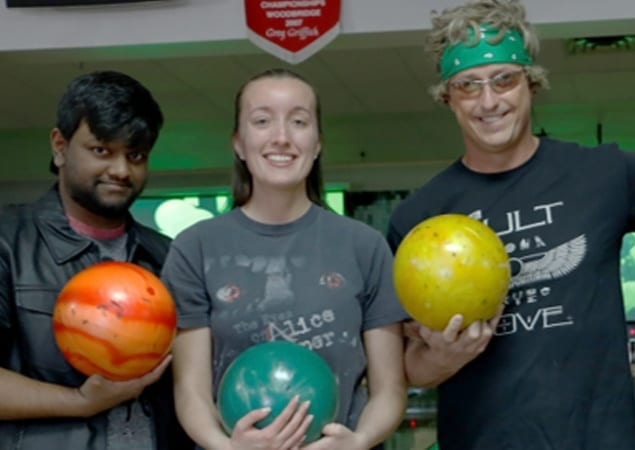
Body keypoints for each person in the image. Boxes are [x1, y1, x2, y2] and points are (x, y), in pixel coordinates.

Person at [387, 0, 635, 449]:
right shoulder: (418, 220)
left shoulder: (605, 175)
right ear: (448, 97)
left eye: (504, 79)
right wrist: (442, 358)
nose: (489, 101)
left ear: (531, 84)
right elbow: (403, 365)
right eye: (468, 85)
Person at [161, 68, 408, 450]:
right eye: (262, 121)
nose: (281, 137)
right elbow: (191, 392)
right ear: (239, 144)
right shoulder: (195, 248)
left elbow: (389, 389)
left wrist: (357, 443)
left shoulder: (364, 245)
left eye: (298, 121)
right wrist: (228, 448)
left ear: (317, 142)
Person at [0, 70, 193, 450]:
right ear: (60, 146)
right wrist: (80, 402)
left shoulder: (167, 255)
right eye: (102, 150)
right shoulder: (7, 242)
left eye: (135, 155)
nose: (121, 171)